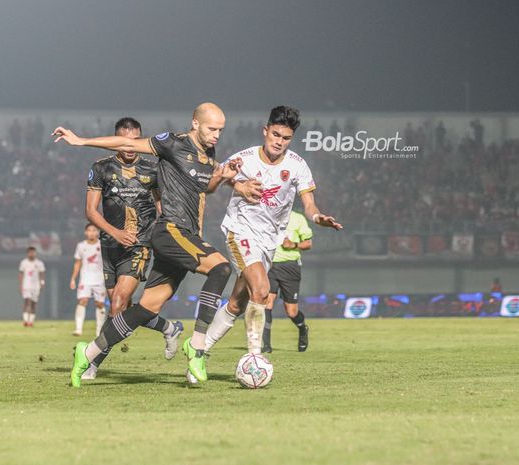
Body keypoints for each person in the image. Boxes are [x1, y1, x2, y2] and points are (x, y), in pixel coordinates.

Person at [54, 102, 258, 387]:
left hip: (187, 235)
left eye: (221, 130)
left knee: (146, 308)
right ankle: (197, 347)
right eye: (212, 129)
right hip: (170, 230)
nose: (217, 136)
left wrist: (223, 178)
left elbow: (204, 188)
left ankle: (88, 352)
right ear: (196, 124)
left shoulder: (208, 153)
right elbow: (126, 141)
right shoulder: (172, 143)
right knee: (222, 269)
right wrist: (81, 140)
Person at [201, 106, 341, 367]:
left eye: (285, 138)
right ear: (265, 131)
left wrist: (317, 217)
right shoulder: (244, 159)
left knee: (237, 303)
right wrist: (237, 184)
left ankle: (199, 348)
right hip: (240, 230)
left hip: (269, 241)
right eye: (275, 134)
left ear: (292, 138)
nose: (279, 141)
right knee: (262, 289)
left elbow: (309, 204)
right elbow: (211, 184)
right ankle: (254, 358)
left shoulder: (298, 166)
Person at [80, 117, 183, 381]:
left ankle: (92, 361)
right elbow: (90, 211)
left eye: (135, 140)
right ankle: (169, 328)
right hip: (110, 246)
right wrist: (115, 233)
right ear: (116, 140)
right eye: (124, 140)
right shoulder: (100, 168)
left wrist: (165, 239)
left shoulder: (152, 169)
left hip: (139, 246)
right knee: (123, 309)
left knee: (116, 306)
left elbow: (163, 209)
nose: (129, 146)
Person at [263, 210, 314, 353]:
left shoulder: (297, 218)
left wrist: (293, 245)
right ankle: (266, 345)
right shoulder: (267, 214)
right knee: (267, 302)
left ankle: (302, 328)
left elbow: (308, 243)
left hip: (290, 266)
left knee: (291, 312)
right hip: (270, 265)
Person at [70, 223, 108, 337]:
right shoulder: (81, 246)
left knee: (100, 303)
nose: (91, 232)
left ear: (97, 232)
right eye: (89, 230)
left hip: (99, 279)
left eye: (94, 230)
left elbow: (108, 262)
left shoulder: (103, 245)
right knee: (82, 301)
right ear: (85, 232)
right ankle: (78, 329)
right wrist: (73, 279)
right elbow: (77, 263)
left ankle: (99, 331)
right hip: (85, 279)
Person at [19, 247, 46, 327]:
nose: (32, 254)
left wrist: (42, 282)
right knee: (26, 301)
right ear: (27, 253)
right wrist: (21, 284)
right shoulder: (24, 263)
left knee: (33, 303)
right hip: (26, 285)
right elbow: (21, 274)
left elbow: (42, 273)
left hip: (36, 285)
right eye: (30, 252)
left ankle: (31, 321)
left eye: (33, 252)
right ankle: (25, 320)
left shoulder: (39, 263)